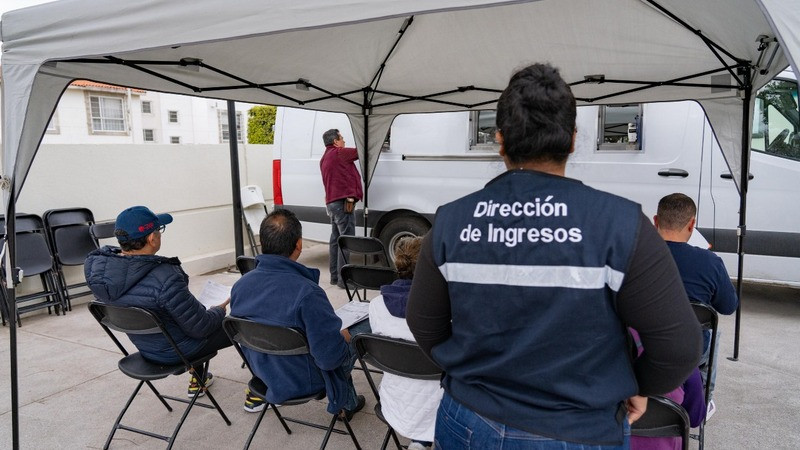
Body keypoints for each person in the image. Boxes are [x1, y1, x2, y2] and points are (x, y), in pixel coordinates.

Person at [406, 63, 702, 449]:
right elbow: (680, 346)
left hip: (467, 419)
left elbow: (423, 322)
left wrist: (470, 372)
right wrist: (636, 384)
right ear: (573, 139)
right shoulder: (622, 224)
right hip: (577, 428)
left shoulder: (451, 221)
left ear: (500, 140)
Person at [229, 208, 365, 419]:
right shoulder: (308, 293)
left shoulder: (240, 286)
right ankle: (346, 404)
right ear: (299, 245)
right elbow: (330, 359)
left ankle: (349, 403)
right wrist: (344, 336)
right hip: (307, 380)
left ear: (262, 242)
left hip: (264, 374)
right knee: (363, 325)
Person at [85, 206, 231, 398]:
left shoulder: (100, 273)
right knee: (242, 326)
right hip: (177, 352)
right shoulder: (165, 276)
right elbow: (201, 327)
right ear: (152, 238)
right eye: (159, 230)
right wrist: (219, 310)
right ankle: (258, 390)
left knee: (185, 313)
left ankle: (199, 379)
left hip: (147, 348)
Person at [654, 193, 739, 406]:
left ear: (655, 221)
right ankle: (703, 399)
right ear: (692, 224)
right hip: (691, 352)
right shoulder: (710, 262)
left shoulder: (633, 255)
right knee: (712, 330)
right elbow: (728, 306)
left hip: (640, 348)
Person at [369, 236, 442, 450]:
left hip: (395, 404)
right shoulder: (446, 311)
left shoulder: (376, 305)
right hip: (440, 411)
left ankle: (420, 441)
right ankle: (422, 440)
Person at [320, 128, 363, 288]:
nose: (344, 141)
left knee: (335, 240)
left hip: (332, 203)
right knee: (346, 241)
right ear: (335, 141)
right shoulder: (339, 153)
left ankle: (334, 277)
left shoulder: (324, 158)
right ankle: (344, 281)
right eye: (342, 138)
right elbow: (361, 151)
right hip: (343, 204)